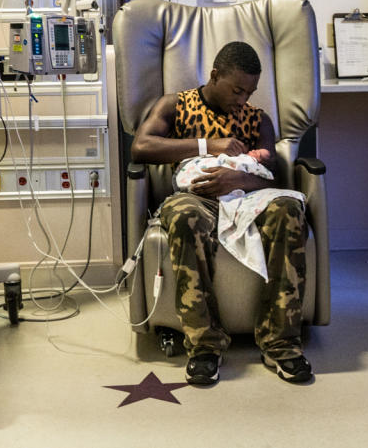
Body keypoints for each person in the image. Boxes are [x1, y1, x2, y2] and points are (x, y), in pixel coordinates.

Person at [131, 41, 312, 385]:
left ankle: (281, 343)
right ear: (215, 76)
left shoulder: (259, 119)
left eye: (250, 91)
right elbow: (141, 147)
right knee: (184, 215)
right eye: (237, 89)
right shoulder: (176, 105)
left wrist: (237, 177)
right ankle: (204, 346)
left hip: (247, 197)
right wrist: (207, 146)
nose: (243, 99)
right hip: (195, 196)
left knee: (288, 208)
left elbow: (271, 170)